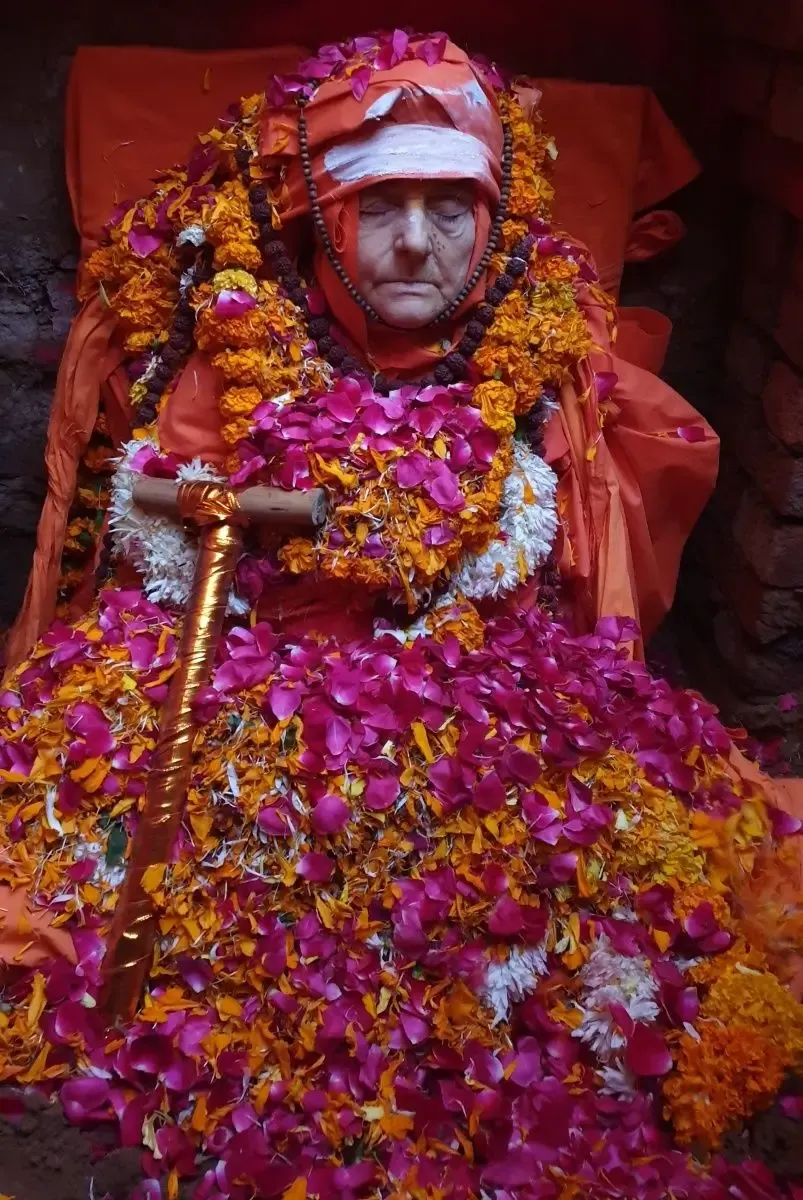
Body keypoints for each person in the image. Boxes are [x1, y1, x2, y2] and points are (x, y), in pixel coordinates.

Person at [0, 32, 802, 1200]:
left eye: (449, 206)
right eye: (380, 207)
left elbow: (549, 572)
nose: (417, 244)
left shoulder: (534, 375)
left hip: (476, 705)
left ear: (494, 220)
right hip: (241, 707)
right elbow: (163, 546)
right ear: (318, 220)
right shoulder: (228, 362)